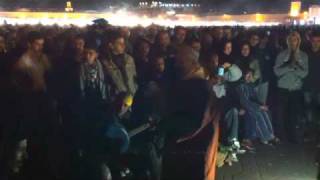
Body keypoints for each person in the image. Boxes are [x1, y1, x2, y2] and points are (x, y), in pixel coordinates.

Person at [10, 31, 53, 180]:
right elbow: (15, 78)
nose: (39, 47)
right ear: (30, 44)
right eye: (37, 44)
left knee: (39, 128)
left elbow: (49, 73)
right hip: (29, 97)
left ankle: (34, 157)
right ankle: (17, 163)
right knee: (25, 127)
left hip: (42, 97)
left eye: (41, 44)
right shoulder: (24, 59)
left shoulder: (43, 58)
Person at [274, 31, 308, 143]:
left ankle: (293, 137)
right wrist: (289, 67)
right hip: (283, 88)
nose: (293, 42)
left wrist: (295, 68)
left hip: (295, 89)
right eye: (291, 40)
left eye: (295, 40)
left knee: (293, 114)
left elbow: (304, 73)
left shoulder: (303, 56)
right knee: (281, 114)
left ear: (298, 41)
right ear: (287, 41)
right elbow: (277, 71)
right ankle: (282, 136)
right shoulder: (281, 55)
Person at [237, 69, 278, 147]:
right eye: (247, 75)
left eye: (251, 75)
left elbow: (255, 99)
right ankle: (266, 137)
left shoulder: (251, 85)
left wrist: (262, 105)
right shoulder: (241, 86)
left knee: (265, 112)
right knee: (257, 113)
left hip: (252, 105)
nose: (249, 77)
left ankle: (270, 134)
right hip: (245, 106)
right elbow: (245, 101)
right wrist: (259, 106)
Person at [102, 31, 138, 98]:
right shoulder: (105, 62)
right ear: (111, 45)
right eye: (119, 43)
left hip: (131, 96)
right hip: (115, 98)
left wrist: (134, 90)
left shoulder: (129, 59)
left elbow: (134, 77)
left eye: (123, 43)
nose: (123, 46)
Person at [304, 31, 320, 141]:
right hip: (308, 86)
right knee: (308, 111)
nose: (316, 43)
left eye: (318, 41)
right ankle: (309, 132)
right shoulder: (306, 54)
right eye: (314, 41)